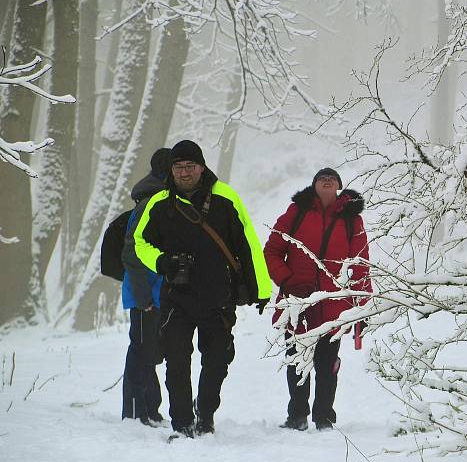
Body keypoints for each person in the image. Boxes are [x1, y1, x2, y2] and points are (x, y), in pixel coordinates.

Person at [133, 140, 272, 438]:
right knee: (176, 362)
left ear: (202, 167)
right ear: (171, 170)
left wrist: (261, 288)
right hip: (176, 298)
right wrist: (161, 261)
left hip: (217, 297)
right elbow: (139, 243)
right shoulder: (160, 203)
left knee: (217, 361)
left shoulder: (225, 198)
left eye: (189, 166)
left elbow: (247, 244)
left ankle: (205, 413)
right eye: (178, 167)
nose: (184, 173)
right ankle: (182, 424)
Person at [264, 167, 372, 431]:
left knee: (327, 364)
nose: (326, 181)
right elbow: (273, 251)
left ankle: (324, 417)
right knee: (297, 361)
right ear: (314, 186)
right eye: (321, 178)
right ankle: (297, 415)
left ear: (338, 187)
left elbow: (361, 263)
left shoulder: (351, 220)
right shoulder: (296, 213)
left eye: (331, 179)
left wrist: (363, 307)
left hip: (333, 303)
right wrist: (288, 281)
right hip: (297, 301)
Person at [120, 147, 171, 425]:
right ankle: (136, 412)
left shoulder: (157, 199)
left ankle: (149, 409)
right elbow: (132, 254)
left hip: (155, 293)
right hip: (145, 294)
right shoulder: (149, 204)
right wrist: (143, 297)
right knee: (141, 350)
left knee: (149, 351)